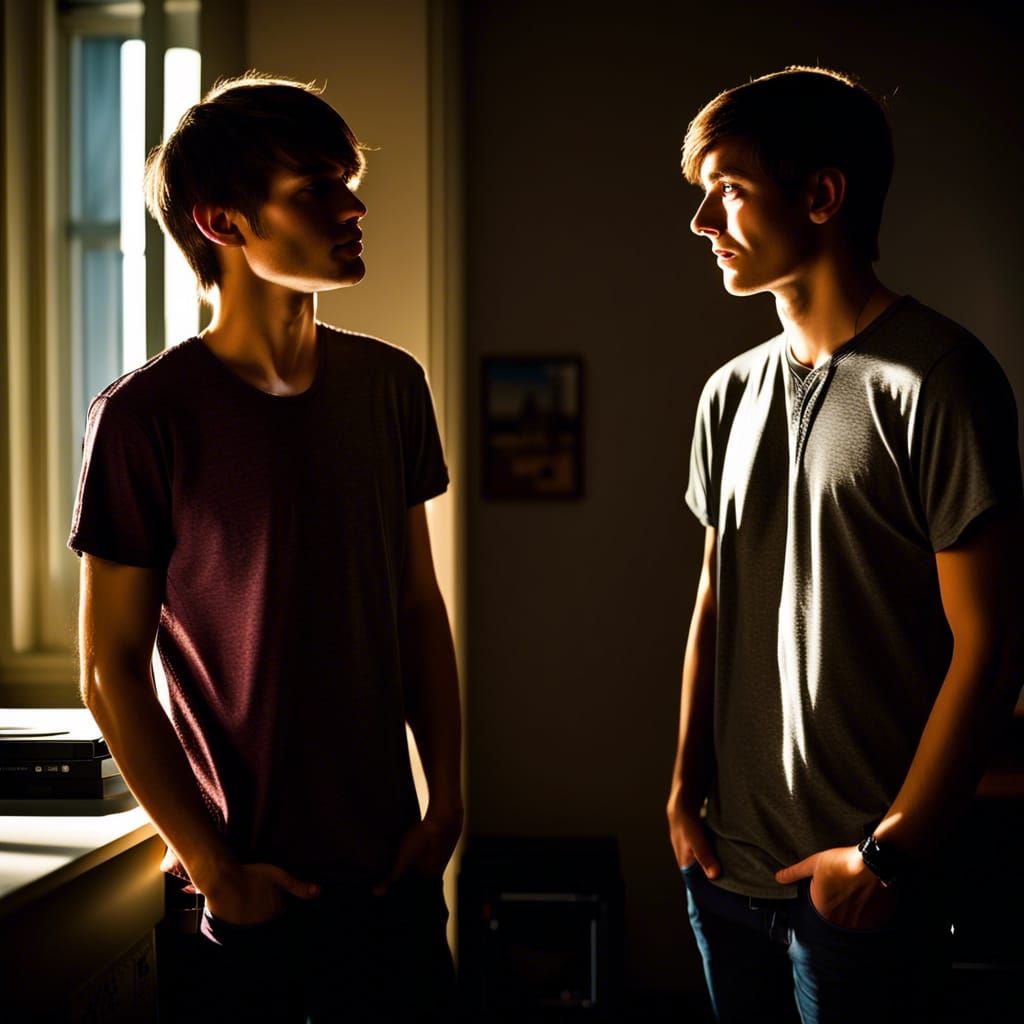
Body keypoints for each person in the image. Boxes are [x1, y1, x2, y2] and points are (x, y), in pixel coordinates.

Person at [70, 73, 461, 1022]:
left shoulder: (392, 387)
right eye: (314, 186)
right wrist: (213, 866)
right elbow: (108, 667)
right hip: (245, 890)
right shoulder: (142, 417)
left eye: (348, 179)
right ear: (223, 222)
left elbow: (415, 603)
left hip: (389, 873)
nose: (353, 204)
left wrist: (447, 796)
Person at [665, 66, 1022, 1024]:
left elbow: (990, 649)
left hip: (861, 893)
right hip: (724, 876)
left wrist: (885, 858)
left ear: (822, 196)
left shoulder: (938, 381)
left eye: (730, 192)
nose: (703, 221)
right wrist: (680, 797)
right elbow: (716, 601)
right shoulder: (727, 393)